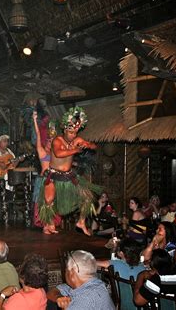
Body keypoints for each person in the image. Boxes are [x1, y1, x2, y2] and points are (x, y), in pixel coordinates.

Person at [36, 106, 99, 236]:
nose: (73, 135)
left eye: (75, 133)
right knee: (48, 200)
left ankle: (81, 222)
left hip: (69, 176)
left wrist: (88, 145)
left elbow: (94, 146)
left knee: (88, 198)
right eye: (71, 132)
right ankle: (48, 224)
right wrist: (76, 150)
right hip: (53, 175)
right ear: (65, 130)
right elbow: (59, 154)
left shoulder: (77, 140)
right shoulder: (57, 140)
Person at [47, 250, 115, 310]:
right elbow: (51, 292)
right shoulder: (93, 283)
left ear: (72, 272)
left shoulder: (85, 300)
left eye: (66, 270)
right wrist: (59, 298)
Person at [32, 112, 61, 234]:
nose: (50, 143)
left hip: (53, 179)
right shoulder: (42, 152)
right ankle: (45, 225)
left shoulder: (56, 154)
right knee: (44, 203)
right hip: (44, 180)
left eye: (52, 141)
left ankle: (51, 224)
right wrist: (34, 120)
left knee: (52, 203)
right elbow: (38, 134)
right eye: (49, 141)